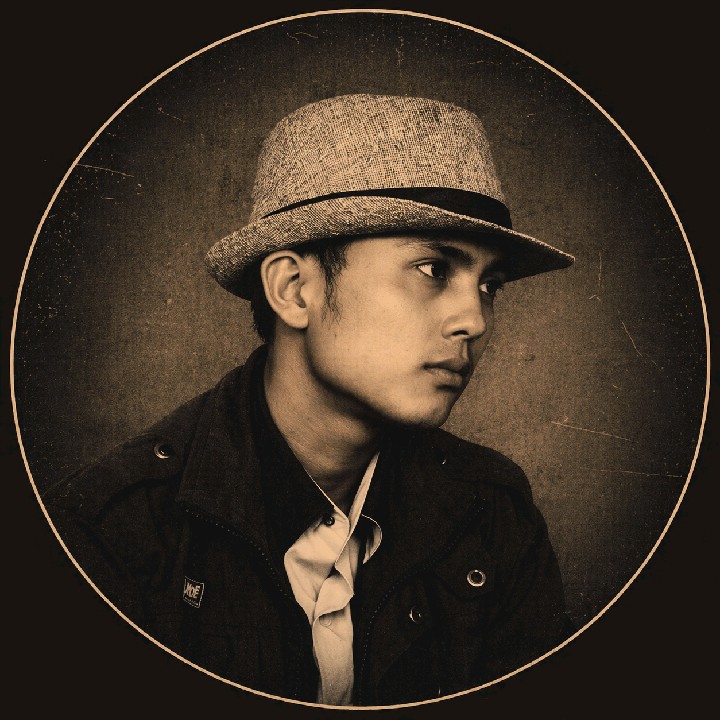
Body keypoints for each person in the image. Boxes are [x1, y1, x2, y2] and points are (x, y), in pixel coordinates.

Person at [43, 94, 575, 706]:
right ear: (295, 289)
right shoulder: (111, 532)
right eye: (433, 269)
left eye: (490, 285)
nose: (474, 320)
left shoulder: (494, 512)